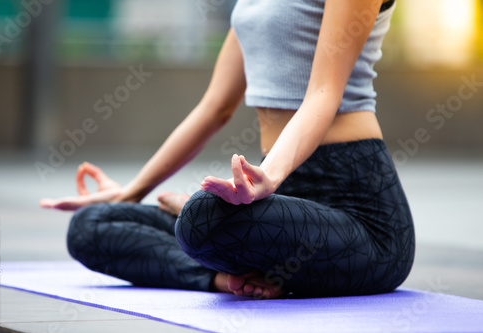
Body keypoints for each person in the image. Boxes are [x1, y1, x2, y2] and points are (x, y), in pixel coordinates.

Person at [41, 0, 415, 299]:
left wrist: (270, 175)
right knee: (92, 225)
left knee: (201, 218)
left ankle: (215, 237)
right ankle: (221, 278)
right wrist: (131, 192)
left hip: (361, 218)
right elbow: (214, 108)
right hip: (281, 203)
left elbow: (323, 93)